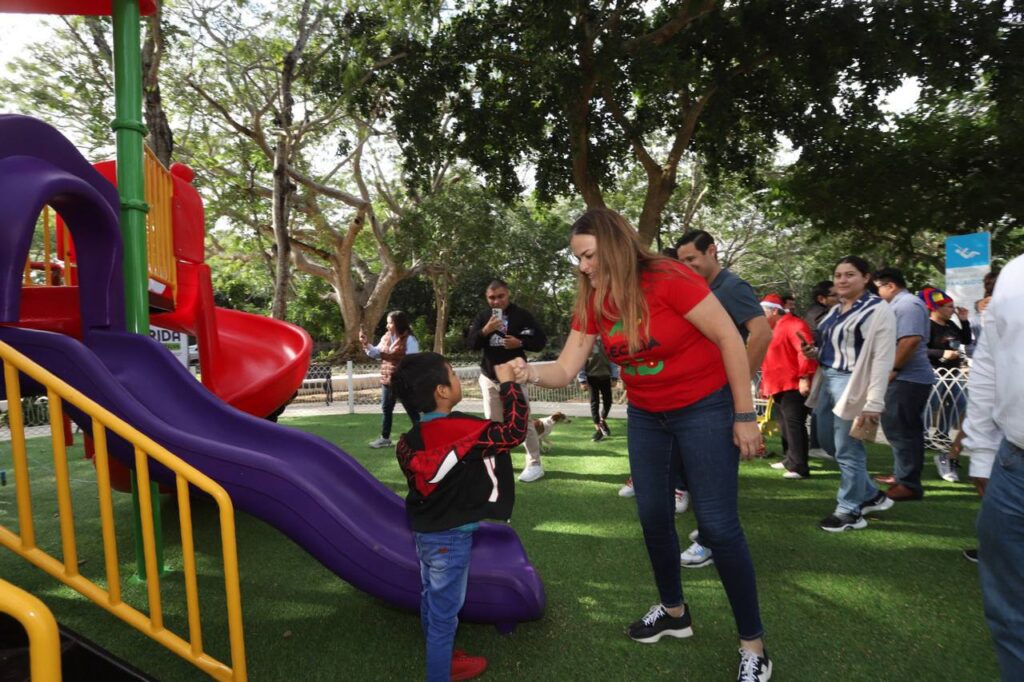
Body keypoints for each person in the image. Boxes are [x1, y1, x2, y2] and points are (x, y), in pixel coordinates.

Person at [510, 208, 772, 681]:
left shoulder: (668, 277)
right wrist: (529, 371)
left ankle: (753, 644)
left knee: (718, 524)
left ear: (614, 244)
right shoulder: (593, 298)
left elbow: (730, 340)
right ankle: (674, 613)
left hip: (705, 407)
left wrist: (744, 414)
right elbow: (567, 368)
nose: (584, 267)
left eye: (588, 256)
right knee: (653, 515)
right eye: (578, 259)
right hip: (649, 415)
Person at [391, 352, 527, 682]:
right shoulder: (462, 430)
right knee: (444, 618)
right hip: (450, 540)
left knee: (431, 599)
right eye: (452, 374)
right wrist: (508, 384)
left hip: (425, 534)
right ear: (441, 390)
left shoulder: (407, 442)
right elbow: (514, 432)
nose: (457, 379)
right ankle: (441, 670)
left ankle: (444, 656)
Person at [675, 230, 772, 568]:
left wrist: (740, 383)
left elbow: (761, 332)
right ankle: (710, 530)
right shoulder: (699, 288)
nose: (687, 266)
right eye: (681, 261)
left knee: (712, 470)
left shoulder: (731, 287)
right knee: (697, 467)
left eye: (692, 259)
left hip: (721, 395)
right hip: (699, 394)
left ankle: (710, 540)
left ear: (712, 251)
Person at [957, 254, 1024, 681]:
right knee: (1009, 614)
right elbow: (988, 362)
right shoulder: (1016, 273)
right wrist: (981, 450)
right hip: (1013, 465)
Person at [802, 256, 897, 532]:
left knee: (847, 447)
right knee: (827, 443)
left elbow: (882, 358)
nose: (842, 280)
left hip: (853, 383)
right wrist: (814, 353)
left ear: (866, 278)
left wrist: (874, 401)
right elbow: (833, 347)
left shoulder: (878, 310)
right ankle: (871, 494)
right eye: (838, 274)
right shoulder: (835, 310)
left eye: (849, 274)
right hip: (828, 379)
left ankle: (849, 510)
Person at [466, 279, 548, 482]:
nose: (496, 301)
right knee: (493, 424)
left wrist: (519, 342)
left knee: (523, 421)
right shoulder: (483, 317)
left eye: (500, 296)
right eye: (492, 298)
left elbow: (540, 341)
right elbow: (470, 344)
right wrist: (485, 330)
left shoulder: (521, 315)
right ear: (487, 298)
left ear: (508, 294)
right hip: (489, 378)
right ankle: (499, 463)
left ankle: (534, 464)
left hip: (515, 377)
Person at [873, 267, 935, 501]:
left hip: (908, 378)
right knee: (897, 428)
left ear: (890, 285)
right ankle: (902, 475)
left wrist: (893, 369)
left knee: (903, 430)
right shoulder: (899, 304)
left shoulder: (907, 304)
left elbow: (910, 340)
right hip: (904, 377)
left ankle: (909, 484)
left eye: (878, 287)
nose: (877, 292)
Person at [759, 294, 817, 479]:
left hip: (792, 383)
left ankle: (800, 466)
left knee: (794, 423)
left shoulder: (794, 325)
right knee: (785, 423)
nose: (760, 316)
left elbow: (805, 351)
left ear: (774, 311)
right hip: (778, 384)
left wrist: (804, 377)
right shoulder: (773, 328)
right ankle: (790, 459)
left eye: (763, 312)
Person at [920, 286, 972, 480]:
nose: (953, 310)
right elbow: (919, 349)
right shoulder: (927, 325)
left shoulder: (951, 324)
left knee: (960, 402)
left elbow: (966, 339)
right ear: (936, 308)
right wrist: (942, 353)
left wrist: (964, 320)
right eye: (949, 307)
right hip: (934, 371)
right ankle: (923, 435)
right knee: (931, 403)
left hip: (954, 372)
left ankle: (942, 434)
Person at [361, 310, 420, 448]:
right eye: (387, 323)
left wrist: (388, 356)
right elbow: (376, 353)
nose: (387, 326)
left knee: (411, 409)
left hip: (403, 381)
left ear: (398, 323)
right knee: (386, 408)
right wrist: (366, 344)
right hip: (388, 380)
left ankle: (424, 436)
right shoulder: (386, 337)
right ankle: (385, 438)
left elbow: (411, 361)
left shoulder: (410, 340)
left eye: (390, 323)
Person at [803, 280, 839, 461]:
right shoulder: (820, 316)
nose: (839, 297)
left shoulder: (828, 313)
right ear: (821, 299)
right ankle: (820, 446)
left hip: (823, 365)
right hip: (819, 367)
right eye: (834, 294)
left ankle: (820, 445)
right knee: (821, 408)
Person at [577, 339, 619, 442]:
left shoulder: (608, 342)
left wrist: (614, 377)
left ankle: (602, 420)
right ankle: (598, 429)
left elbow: (613, 361)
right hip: (592, 377)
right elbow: (581, 362)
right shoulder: (586, 342)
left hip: (606, 376)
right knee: (594, 402)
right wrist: (582, 381)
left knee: (608, 401)